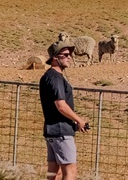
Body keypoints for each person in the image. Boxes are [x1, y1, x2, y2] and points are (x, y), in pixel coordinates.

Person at [41, 41, 90, 180]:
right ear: (55, 57)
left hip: (51, 131)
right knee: (70, 172)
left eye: (70, 55)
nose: (70, 57)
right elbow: (61, 105)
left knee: (54, 173)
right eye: (66, 55)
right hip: (61, 132)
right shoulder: (56, 78)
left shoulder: (48, 76)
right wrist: (79, 120)